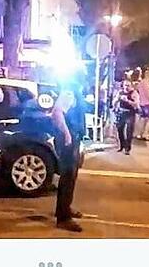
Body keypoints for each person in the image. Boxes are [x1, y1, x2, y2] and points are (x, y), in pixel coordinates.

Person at [52, 83, 86, 232]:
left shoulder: (74, 92)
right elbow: (57, 113)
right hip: (69, 140)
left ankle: (65, 208)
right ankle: (63, 217)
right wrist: (67, 134)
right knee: (67, 176)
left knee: (71, 176)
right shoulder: (68, 92)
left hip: (74, 138)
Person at [113, 80, 139, 154]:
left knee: (129, 131)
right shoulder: (120, 92)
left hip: (130, 113)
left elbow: (136, 104)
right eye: (125, 85)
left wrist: (127, 100)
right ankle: (122, 145)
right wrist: (115, 103)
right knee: (119, 129)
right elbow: (114, 101)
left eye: (128, 85)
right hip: (121, 112)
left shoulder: (134, 93)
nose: (126, 87)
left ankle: (127, 148)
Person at [134, 69, 149, 140]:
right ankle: (145, 134)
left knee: (143, 119)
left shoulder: (140, 83)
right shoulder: (147, 84)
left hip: (141, 103)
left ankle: (139, 133)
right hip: (147, 103)